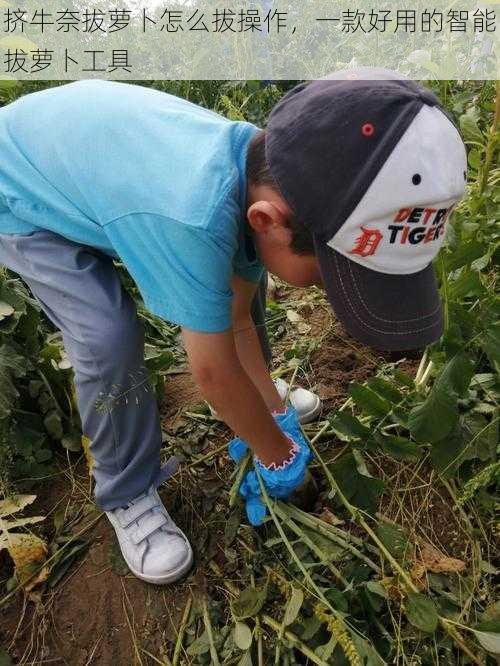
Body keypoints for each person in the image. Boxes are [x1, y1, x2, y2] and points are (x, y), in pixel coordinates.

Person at [0, 71, 467, 584]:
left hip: (92, 164)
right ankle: (127, 491)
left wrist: (271, 414)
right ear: (267, 219)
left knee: (241, 293)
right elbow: (213, 371)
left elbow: (237, 319)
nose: (324, 291)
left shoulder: (266, 174)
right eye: (330, 275)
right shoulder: (193, 216)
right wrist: (277, 453)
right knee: (106, 336)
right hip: (21, 187)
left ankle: (263, 399)